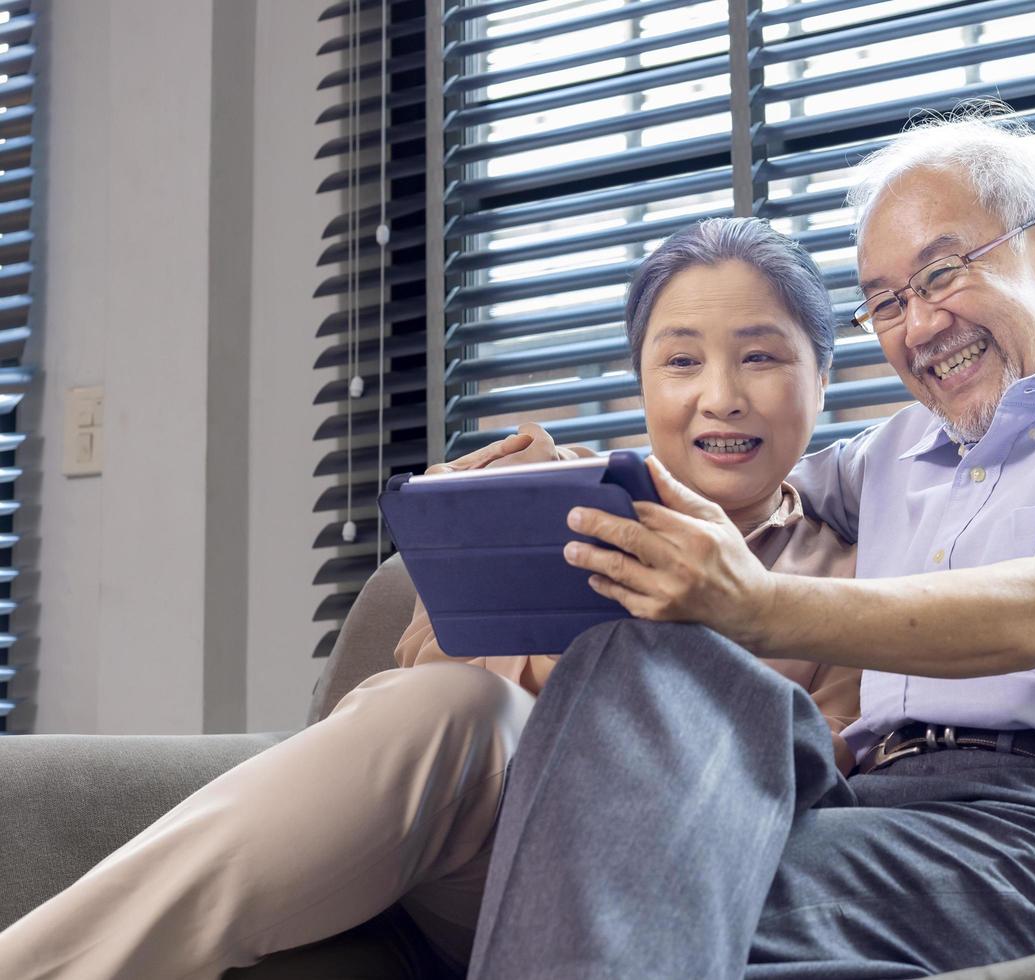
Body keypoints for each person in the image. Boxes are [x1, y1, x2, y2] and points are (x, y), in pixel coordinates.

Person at [462, 109, 1035, 978]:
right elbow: (728, 476)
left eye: (942, 274)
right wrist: (558, 486)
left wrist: (760, 605)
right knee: (632, 669)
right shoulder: (889, 457)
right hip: (872, 809)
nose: (919, 326)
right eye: (887, 302)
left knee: (628, 888)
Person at [0, 218, 862, 978]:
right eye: (681, 360)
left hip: (658, 869)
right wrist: (477, 543)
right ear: (642, 381)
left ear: (821, 375)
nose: (721, 396)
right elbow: (421, 678)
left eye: (761, 356)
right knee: (457, 703)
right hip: (473, 856)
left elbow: (825, 771)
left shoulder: (854, 575)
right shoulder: (557, 504)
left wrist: (650, 666)